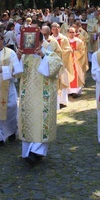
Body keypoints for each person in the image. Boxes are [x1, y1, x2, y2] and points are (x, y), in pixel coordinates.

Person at [16, 33, 62, 163]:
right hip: (28, 96)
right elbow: (17, 74)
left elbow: (53, 69)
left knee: (42, 122)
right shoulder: (24, 56)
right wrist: (18, 57)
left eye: (35, 42)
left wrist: (42, 56)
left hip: (44, 96)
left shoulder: (50, 54)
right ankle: (27, 151)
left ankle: (36, 151)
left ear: (41, 42)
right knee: (29, 121)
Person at [66, 27, 88, 98]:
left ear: (75, 33)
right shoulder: (65, 41)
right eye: (70, 32)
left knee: (77, 76)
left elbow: (82, 51)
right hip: (68, 61)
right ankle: (68, 91)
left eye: (73, 32)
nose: (72, 34)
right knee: (68, 75)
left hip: (77, 61)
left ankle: (76, 92)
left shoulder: (79, 41)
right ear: (68, 33)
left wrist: (74, 53)